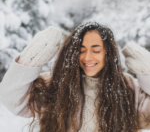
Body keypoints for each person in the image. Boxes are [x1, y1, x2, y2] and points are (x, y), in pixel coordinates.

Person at [0, 21, 150, 132]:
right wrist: (32, 57)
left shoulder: (129, 89)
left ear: (108, 54)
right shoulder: (54, 84)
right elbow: (12, 99)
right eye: (81, 50)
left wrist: (147, 69)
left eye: (96, 50)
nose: (87, 57)